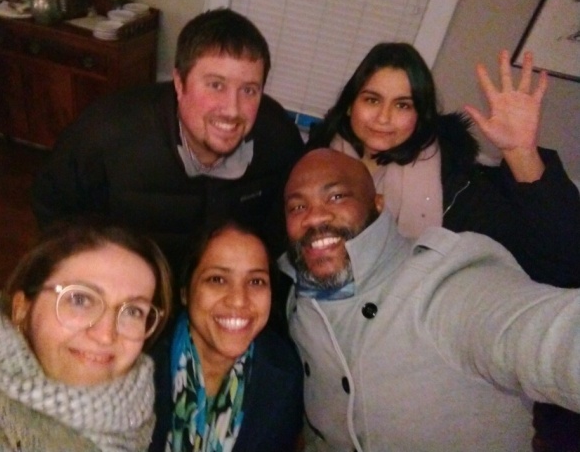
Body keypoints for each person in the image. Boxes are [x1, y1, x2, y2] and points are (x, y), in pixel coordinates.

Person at [306, 43, 580, 449]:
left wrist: (523, 155)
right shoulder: (311, 170)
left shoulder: (457, 186)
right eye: (372, 100)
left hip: (426, 381)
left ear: (420, 116)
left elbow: (562, 265)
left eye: (402, 105)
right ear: (350, 105)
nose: (383, 118)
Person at [279, 148, 580, 452]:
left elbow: (541, 332)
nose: (314, 216)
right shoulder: (295, 302)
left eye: (336, 197)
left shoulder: (441, 278)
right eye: (297, 206)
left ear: (378, 204)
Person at [31, 8, 305, 291]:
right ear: (179, 82)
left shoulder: (278, 140)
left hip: (222, 295)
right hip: (131, 289)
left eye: (249, 90)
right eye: (215, 85)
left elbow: (283, 226)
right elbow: (54, 207)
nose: (232, 109)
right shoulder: (105, 134)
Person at [0, 221, 173, 451]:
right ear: (22, 310)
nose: (106, 335)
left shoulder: (147, 410)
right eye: (80, 299)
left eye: (133, 311)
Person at [149, 220, 303, 452]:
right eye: (217, 279)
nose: (239, 300)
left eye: (255, 281)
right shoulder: (140, 363)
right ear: (185, 292)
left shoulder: (284, 373)